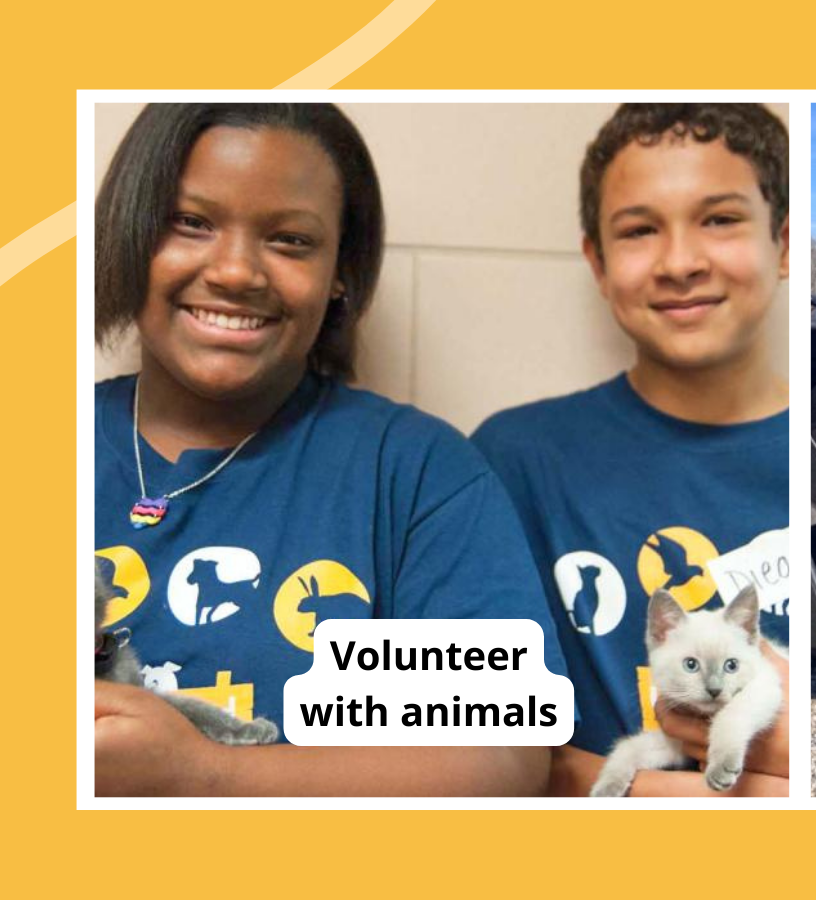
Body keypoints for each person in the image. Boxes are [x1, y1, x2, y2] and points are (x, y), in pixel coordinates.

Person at [92, 103, 567, 796]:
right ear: (130, 232)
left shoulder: (412, 473)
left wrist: (207, 773)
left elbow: (501, 761)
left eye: (290, 240)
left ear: (340, 270)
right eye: (190, 222)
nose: (235, 271)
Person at [472, 104, 790, 797]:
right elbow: (480, 750)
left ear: (785, 242)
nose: (680, 262)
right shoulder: (513, 462)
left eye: (720, 219)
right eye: (640, 230)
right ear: (598, 261)